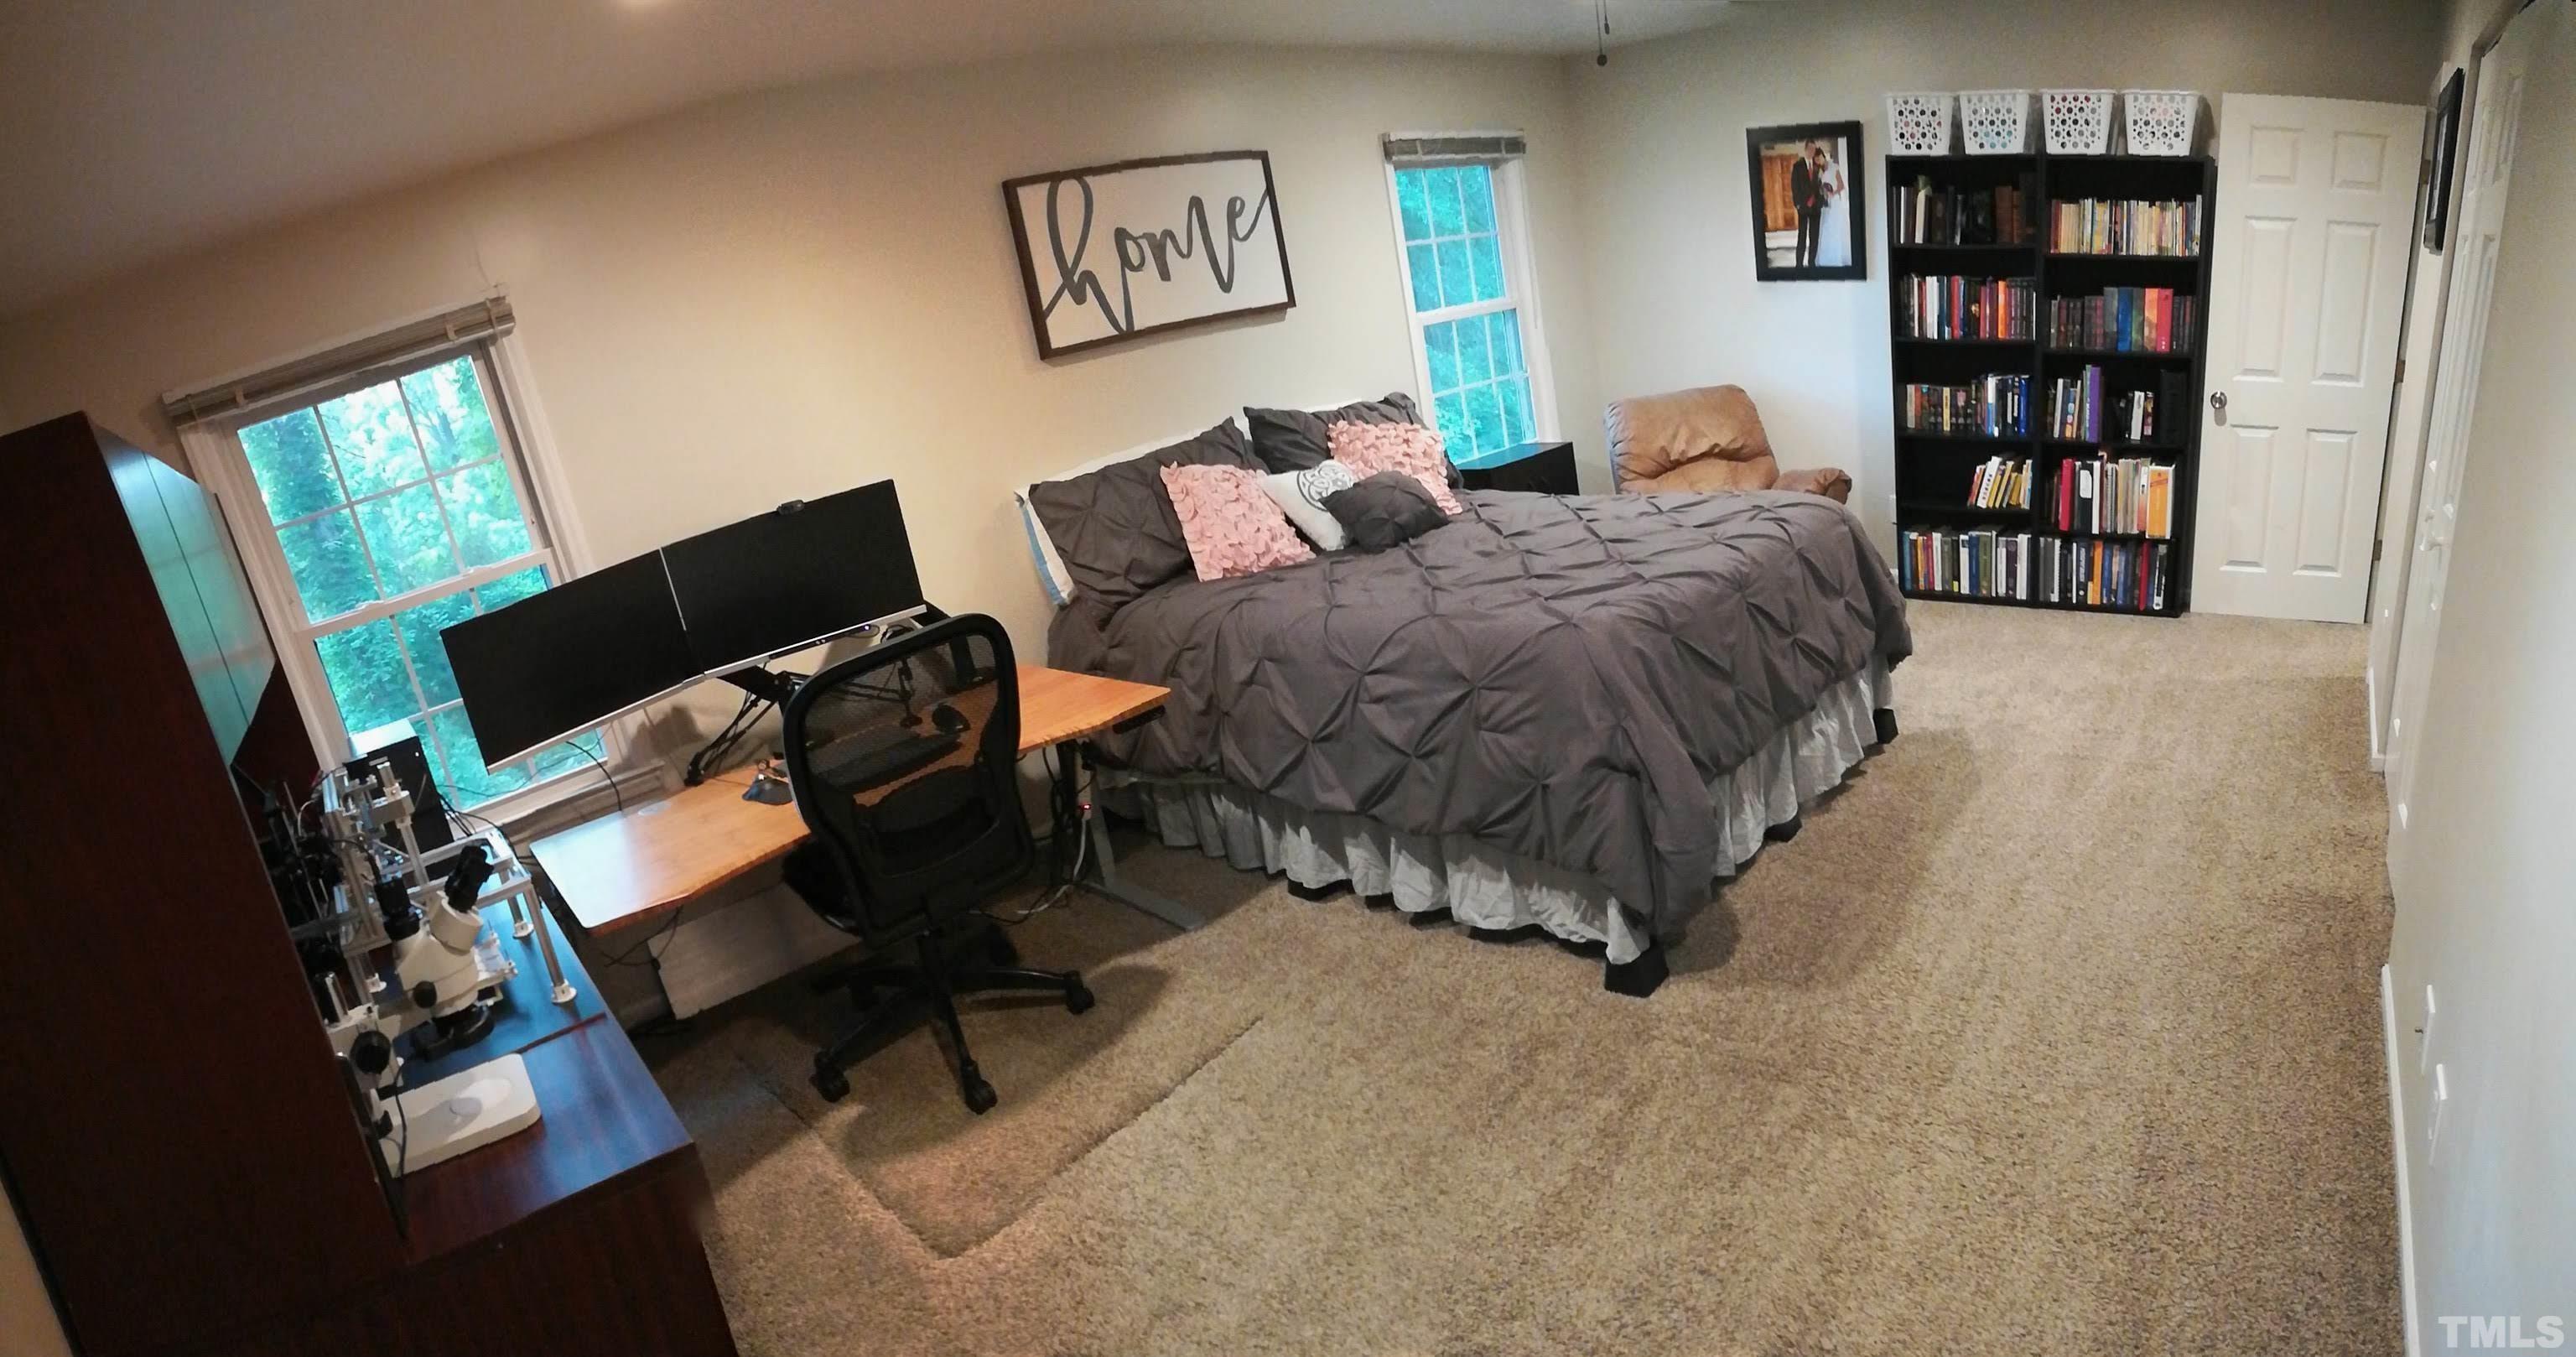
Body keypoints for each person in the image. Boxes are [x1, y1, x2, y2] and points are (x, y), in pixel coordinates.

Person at [1811, 143, 1851, 268]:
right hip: (1827, 202)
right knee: (1827, 229)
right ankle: (1828, 258)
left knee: (1835, 229)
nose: (1818, 161)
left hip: (1836, 201)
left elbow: (1841, 185)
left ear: (1823, 156)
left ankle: (1837, 257)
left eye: (1819, 158)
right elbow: (1820, 188)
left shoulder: (1834, 167)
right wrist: (1824, 193)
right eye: (1816, 160)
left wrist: (1833, 193)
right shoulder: (1821, 172)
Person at [1788, 143, 1823, 267]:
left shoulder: (1818, 166)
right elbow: (1794, 186)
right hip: (1803, 207)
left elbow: (1821, 185)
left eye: (1814, 149)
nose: (1812, 151)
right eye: (1810, 149)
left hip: (1816, 207)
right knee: (1802, 236)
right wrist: (1798, 204)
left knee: (1814, 237)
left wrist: (1820, 201)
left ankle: (1811, 263)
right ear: (1806, 149)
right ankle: (1799, 265)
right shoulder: (1797, 166)